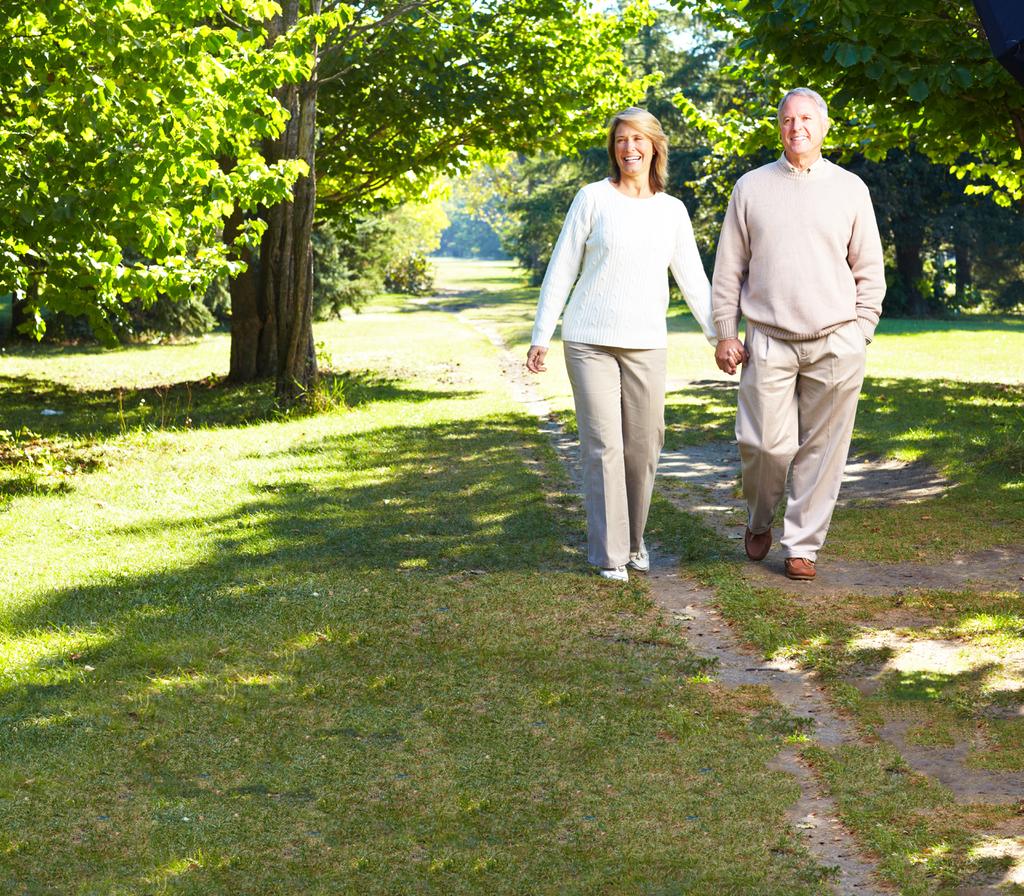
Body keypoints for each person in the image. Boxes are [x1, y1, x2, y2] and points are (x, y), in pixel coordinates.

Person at [526, 107, 719, 582]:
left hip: (646, 345)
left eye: (638, 139)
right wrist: (541, 336)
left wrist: (720, 335)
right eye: (620, 140)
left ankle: (634, 542)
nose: (629, 148)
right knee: (603, 447)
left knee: (644, 446)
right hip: (589, 340)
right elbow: (562, 268)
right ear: (613, 149)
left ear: (655, 147)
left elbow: (693, 279)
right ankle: (609, 554)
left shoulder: (671, 211)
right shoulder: (592, 199)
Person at [712, 87, 885, 582]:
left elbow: (869, 268)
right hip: (766, 336)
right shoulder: (750, 187)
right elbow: (729, 269)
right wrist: (726, 332)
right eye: (788, 119)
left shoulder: (851, 189)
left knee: (823, 449)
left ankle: (802, 545)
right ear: (779, 127)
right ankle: (758, 519)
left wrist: (861, 331)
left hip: (836, 339)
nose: (797, 127)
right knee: (765, 445)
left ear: (824, 126)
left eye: (806, 118)